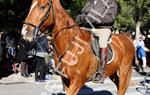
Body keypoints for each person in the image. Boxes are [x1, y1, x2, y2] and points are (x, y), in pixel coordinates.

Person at [76, 0, 118, 83]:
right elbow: (82, 14)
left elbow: (110, 18)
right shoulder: (90, 2)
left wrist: (94, 19)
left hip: (102, 28)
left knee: (102, 42)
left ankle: (101, 72)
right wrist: (81, 18)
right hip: (88, 28)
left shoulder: (111, 2)